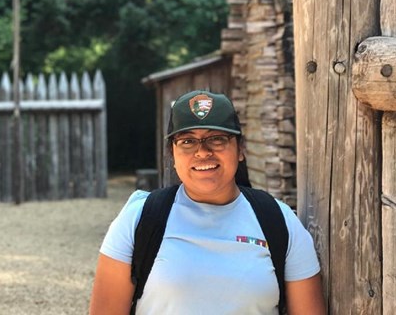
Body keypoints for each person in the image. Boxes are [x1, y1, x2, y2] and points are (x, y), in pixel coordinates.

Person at [89, 90, 326, 314]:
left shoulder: (280, 222)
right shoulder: (139, 219)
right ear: (172, 154)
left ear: (240, 149)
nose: (202, 152)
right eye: (187, 141)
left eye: (217, 139)